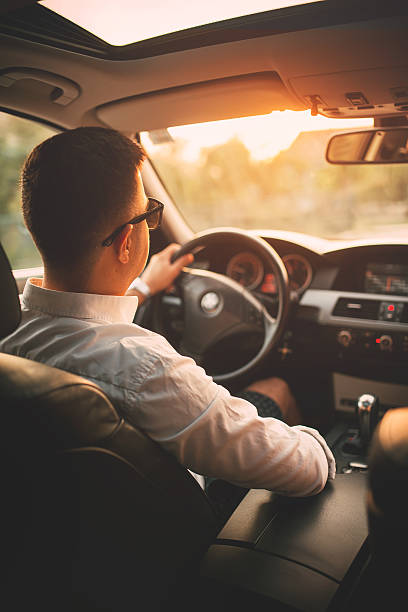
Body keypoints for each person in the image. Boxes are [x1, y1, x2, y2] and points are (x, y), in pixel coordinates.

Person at [0, 127, 335, 512]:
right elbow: (305, 471)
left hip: (81, 519)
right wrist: (328, 453)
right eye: (149, 212)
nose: (150, 222)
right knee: (277, 390)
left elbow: (78, 316)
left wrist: (143, 287)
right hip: (188, 527)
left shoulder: (12, 331)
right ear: (127, 241)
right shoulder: (145, 368)